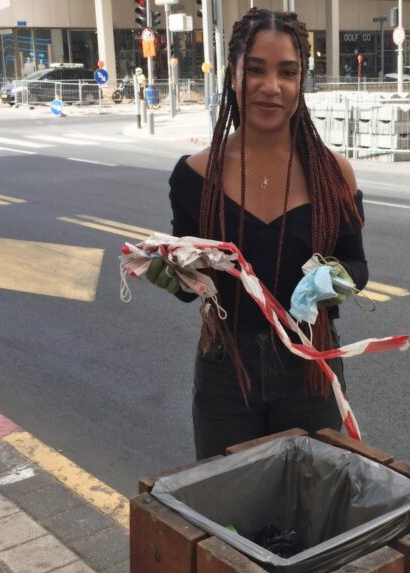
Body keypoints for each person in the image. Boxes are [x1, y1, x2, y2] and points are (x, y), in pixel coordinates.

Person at [155, 8, 369, 459]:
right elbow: (187, 291)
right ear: (232, 74)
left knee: (313, 510)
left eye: (287, 72)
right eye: (255, 70)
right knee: (229, 512)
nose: (271, 87)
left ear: (301, 81)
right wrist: (173, 271)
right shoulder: (194, 176)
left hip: (310, 374)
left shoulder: (334, 175)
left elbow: (358, 268)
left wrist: (332, 281)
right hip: (227, 375)